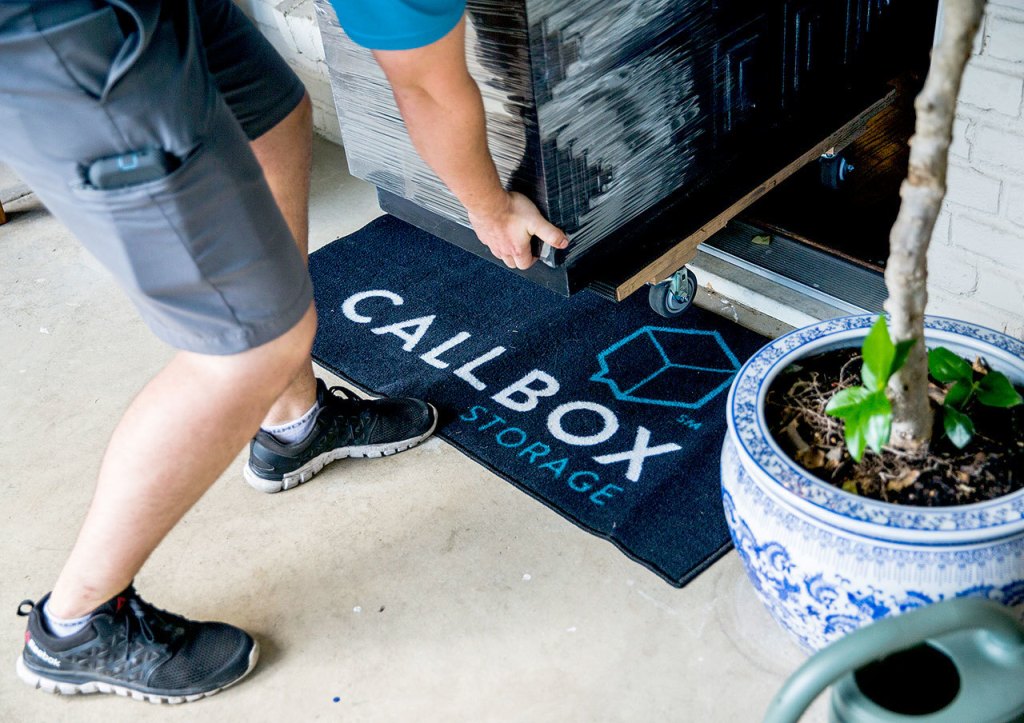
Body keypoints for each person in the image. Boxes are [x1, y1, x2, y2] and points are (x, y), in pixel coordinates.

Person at [4, 0, 566, 704]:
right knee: (250, 348)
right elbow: (424, 86)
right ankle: (77, 622)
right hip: (53, 28)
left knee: (267, 119)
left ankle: (295, 425)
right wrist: (491, 208)